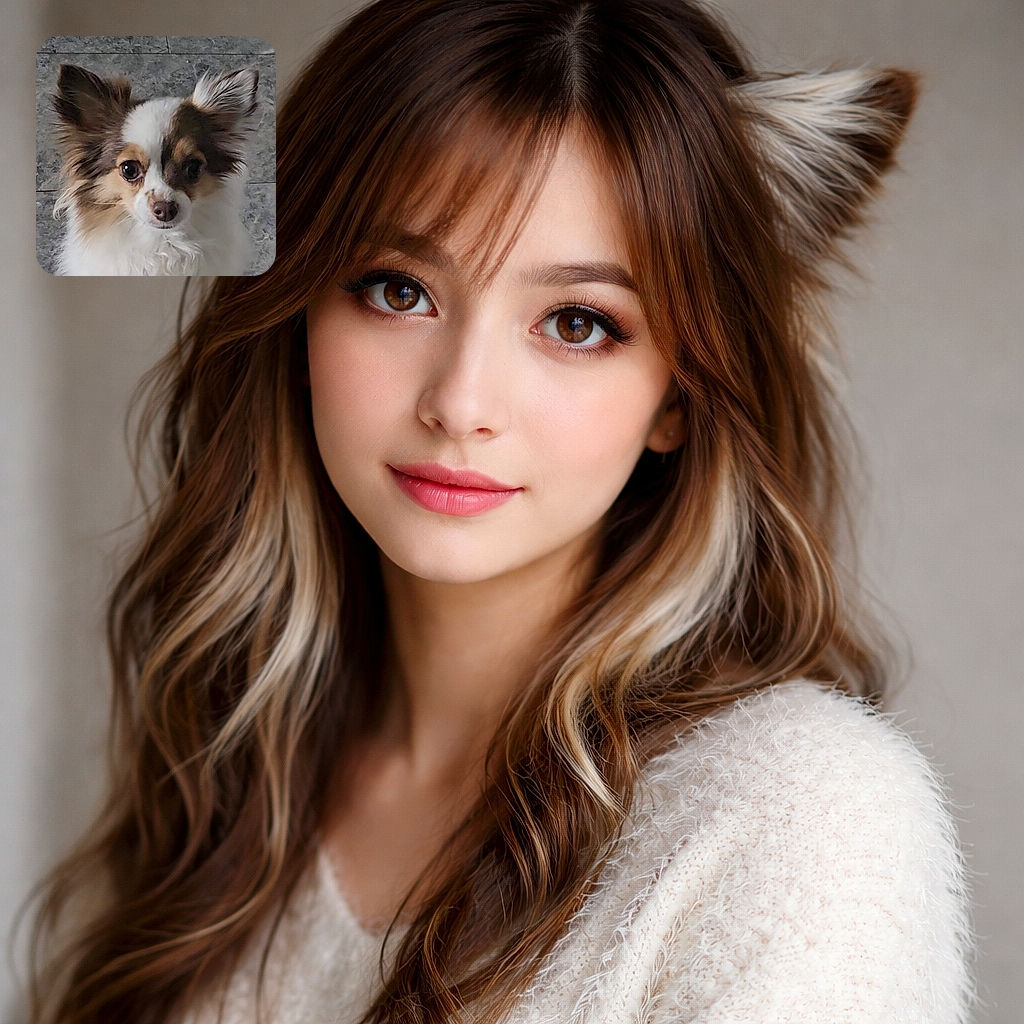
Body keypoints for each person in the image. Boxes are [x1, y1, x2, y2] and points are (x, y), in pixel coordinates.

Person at [26, 1, 974, 1022]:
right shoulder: (228, 769)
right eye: (395, 289)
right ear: (294, 315)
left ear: (679, 395)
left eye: (577, 322)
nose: (462, 403)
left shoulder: (795, 818)